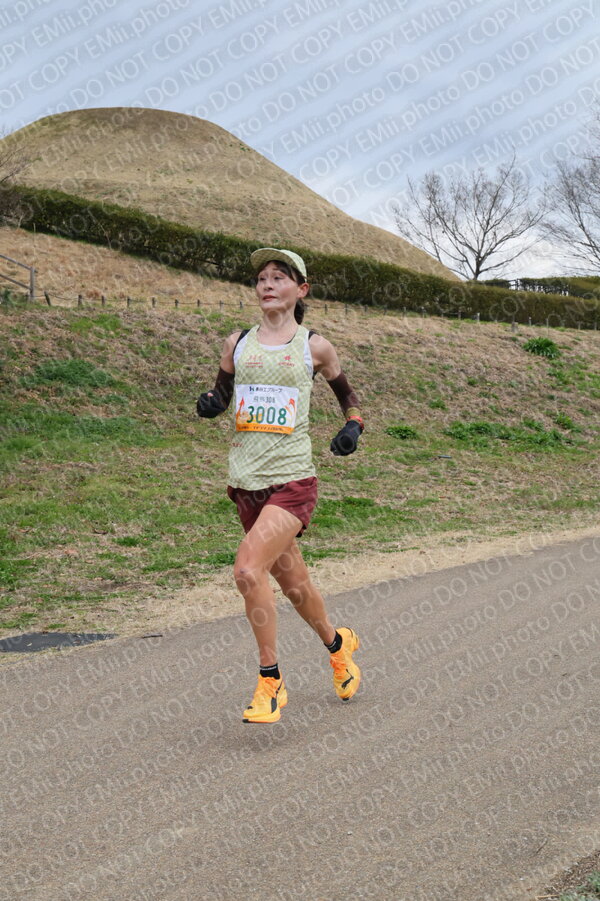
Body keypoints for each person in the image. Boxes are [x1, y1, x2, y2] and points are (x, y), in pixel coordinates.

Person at [197, 248, 364, 723]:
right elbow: (222, 395)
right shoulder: (237, 343)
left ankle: (270, 680)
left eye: (278, 277)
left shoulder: (315, 347)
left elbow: (348, 396)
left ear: (300, 289)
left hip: (293, 479)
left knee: (248, 571)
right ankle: (338, 645)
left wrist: (353, 426)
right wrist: (210, 403)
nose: (267, 285)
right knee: (294, 586)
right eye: (261, 278)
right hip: (246, 482)